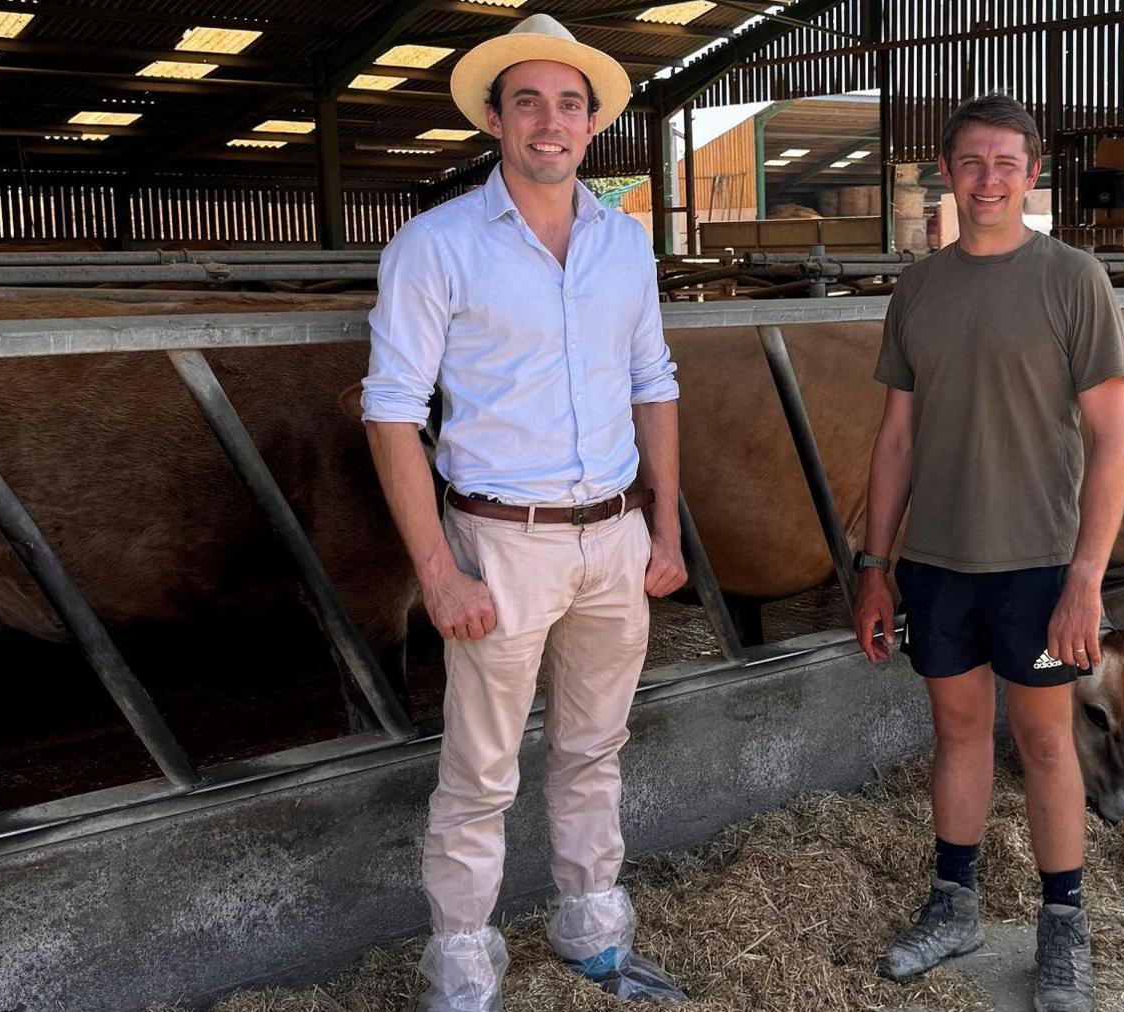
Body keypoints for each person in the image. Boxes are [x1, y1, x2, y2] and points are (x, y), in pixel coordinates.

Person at [359, 13, 689, 1010]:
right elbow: (390, 409)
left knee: (595, 749)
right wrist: (438, 569)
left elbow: (655, 381)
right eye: (529, 102)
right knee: (481, 769)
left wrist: (666, 529)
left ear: (590, 124)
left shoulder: (623, 246)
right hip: (502, 541)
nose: (551, 121)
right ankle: (461, 969)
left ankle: (595, 936)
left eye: (569, 103)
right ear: (497, 121)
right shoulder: (437, 245)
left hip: (615, 535)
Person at [851, 93, 1124, 1012]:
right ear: (945, 169)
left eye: (1006, 162)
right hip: (935, 558)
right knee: (959, 731)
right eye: (971, 161)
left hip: (1039, 561)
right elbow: (895, 437)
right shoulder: (920, 286)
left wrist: (1085, 580)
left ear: (1034, 171)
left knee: (1046, 740)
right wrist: (873, 564)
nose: (988, 179)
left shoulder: (1072, 278)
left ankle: (1063, 929)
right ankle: (955, 905)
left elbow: (1114, 443)